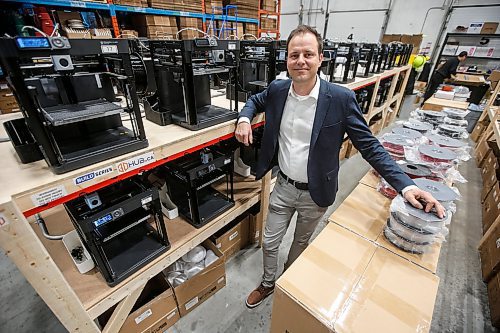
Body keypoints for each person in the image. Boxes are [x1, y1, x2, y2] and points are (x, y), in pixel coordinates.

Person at [234, 25, 445, 309]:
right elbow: (254, 101)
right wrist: (244, 119)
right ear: (286, 60)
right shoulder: (277, 89)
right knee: (270, 242)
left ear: (321, 58)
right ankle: (269, 283)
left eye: (308, 54)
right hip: (282, 186)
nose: (301, 61)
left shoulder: (341, 99)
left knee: (299, 244)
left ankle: (288, 282)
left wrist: (406, 185)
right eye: (294, 54)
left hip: (316, 192)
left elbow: (369, 145)